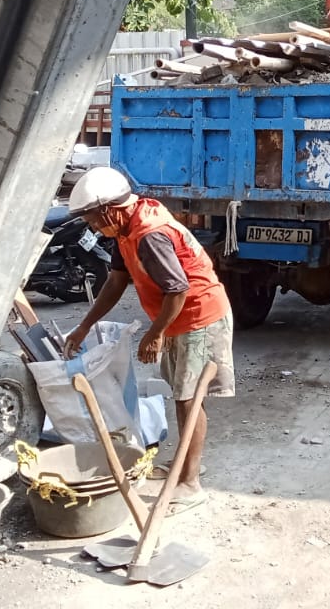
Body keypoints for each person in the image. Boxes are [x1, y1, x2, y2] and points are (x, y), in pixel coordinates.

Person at [62, 166, 233, 512]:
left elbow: (178, 289)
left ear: (109, 209)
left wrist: (153, 335)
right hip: (177, 319)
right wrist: (84, 325)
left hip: (197, 316)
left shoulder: (148, 235)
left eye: (94, 220)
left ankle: (190, 483)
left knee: (189, 398)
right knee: (183, 396)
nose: (94, 227)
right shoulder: (125, 229)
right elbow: (115, 281)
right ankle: (184, 468)